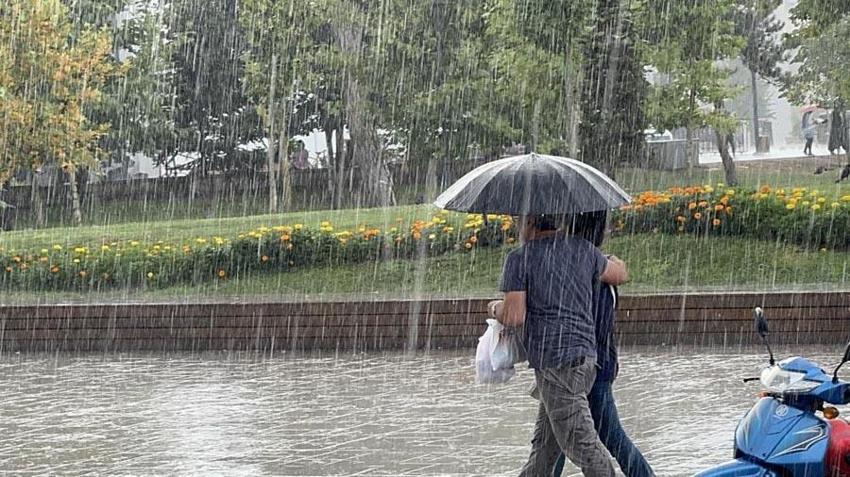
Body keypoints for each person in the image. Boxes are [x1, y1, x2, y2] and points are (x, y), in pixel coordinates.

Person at [490, 213, 628, 477]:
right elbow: (619, 274)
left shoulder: (520, 259)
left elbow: (514, 316)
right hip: (585, 359)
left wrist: (496, 307)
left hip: (556, 363)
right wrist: (613, 261)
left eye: (519, 220)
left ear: (529, 222)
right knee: (544, 450)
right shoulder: (583, 249)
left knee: (583, 447)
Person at [551, 212, 655, 477]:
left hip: (579, 365)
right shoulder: (602, 267)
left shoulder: (578, 269)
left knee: (570, 439)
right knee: (560, 440)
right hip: (596, 364)